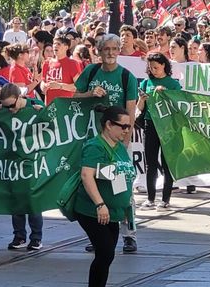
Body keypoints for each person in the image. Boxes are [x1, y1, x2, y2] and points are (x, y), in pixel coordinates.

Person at [73, 34, 139, 253]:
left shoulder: (126, 77)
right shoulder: (91, 72)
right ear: (98, 52)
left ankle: (129, 233)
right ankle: (99, 232)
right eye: (106, 49)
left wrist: (126, 139)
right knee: (98, 185)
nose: (110, 53)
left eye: (114, 49)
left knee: (122, 187)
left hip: (118, 141)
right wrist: (91, 94)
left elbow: (130, 109)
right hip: (94, 139)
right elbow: (75, 97)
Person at [75, 105, 136, 287]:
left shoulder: (119, 147)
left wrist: (125, 206)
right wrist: (100, 204)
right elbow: (86, 175)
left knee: (107, 256)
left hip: (114, 212)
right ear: (109, 125)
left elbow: (120, 177)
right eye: (123, 126)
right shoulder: (95, 146)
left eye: (129, 126)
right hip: (94, 211)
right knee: (105, 253)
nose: (127, 130)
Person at [0, 83, 45, 251]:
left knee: (32, 201)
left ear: (20, 97)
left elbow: (54, 121)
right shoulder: (4, 109)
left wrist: (44, 113)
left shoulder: (35, 107)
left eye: (12, 105)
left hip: (33, 161)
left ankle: (36, 237)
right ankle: (19, 236)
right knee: (17, 200)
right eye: (6, 106)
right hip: (14, 162)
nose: (9, 109)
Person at [137, 53, 181, 209]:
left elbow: (179, 105)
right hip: (151, 123)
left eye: (156, 67)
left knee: (167, 161)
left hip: (168, 126)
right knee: (150, 163)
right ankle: (150, 198)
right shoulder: (145, 83)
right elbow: (140, 109)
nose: (153, 70)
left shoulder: (173, 84)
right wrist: (142, 100)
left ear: (164, 65)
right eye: (150, 67)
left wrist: (165, 94)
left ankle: (165, 198)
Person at [41, 36, 83, 104]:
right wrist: (43, 86)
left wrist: (59, 86)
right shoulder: (47, 62)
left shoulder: (72, 63)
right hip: (49, 106)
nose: (55, 46)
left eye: (59, 44)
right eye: (54, 43)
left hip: (65, 107)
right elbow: (43, 81)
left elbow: (78, 87)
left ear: (66, 47)